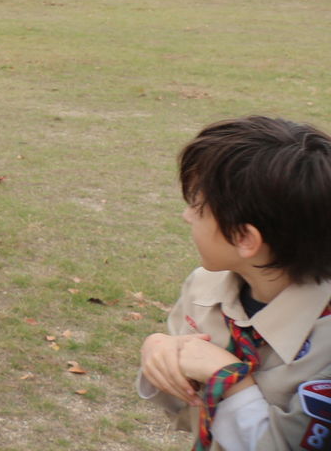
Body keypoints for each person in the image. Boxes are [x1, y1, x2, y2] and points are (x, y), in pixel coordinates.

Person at [139, 116, 331, 451]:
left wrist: (231, 381)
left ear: (244, 238)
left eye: (197, 205)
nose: (186, 215)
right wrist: (159, 354)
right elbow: (187, 417)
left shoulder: (324, 351)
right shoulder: (205, 288)